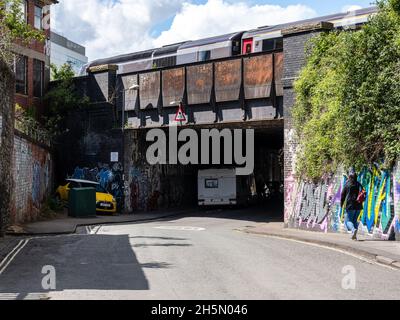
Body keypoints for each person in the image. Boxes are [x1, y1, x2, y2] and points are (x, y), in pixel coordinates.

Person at [341, 172, 364, 241]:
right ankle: (354, 236)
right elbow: (363, 194)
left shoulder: (347, 184)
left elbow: (343, 195)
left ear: (350, 177)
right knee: (354, 220)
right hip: (359, 205)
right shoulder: (359, 184)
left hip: (350, 205)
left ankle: (353, 230)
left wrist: (341, 204)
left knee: (347, 221)